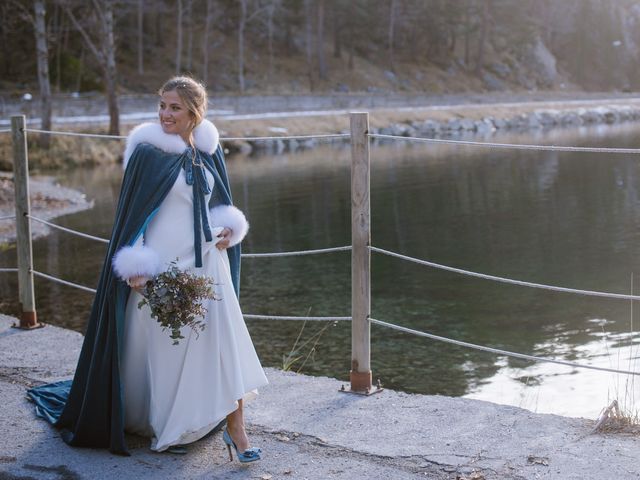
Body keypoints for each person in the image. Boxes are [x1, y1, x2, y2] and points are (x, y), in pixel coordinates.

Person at [27, 76, 268, 462]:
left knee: (225, 345)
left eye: (175, 108)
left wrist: (226, 228)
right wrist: (135, 265)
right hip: (163, 268)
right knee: (167, 351)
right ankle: (169, 420)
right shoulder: (147, 152)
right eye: (162, 105)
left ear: (194, 113)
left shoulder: (208, 149)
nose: (165, 114)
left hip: (207, 262)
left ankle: (237, 431)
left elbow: (217, 200)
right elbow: (131, 216)